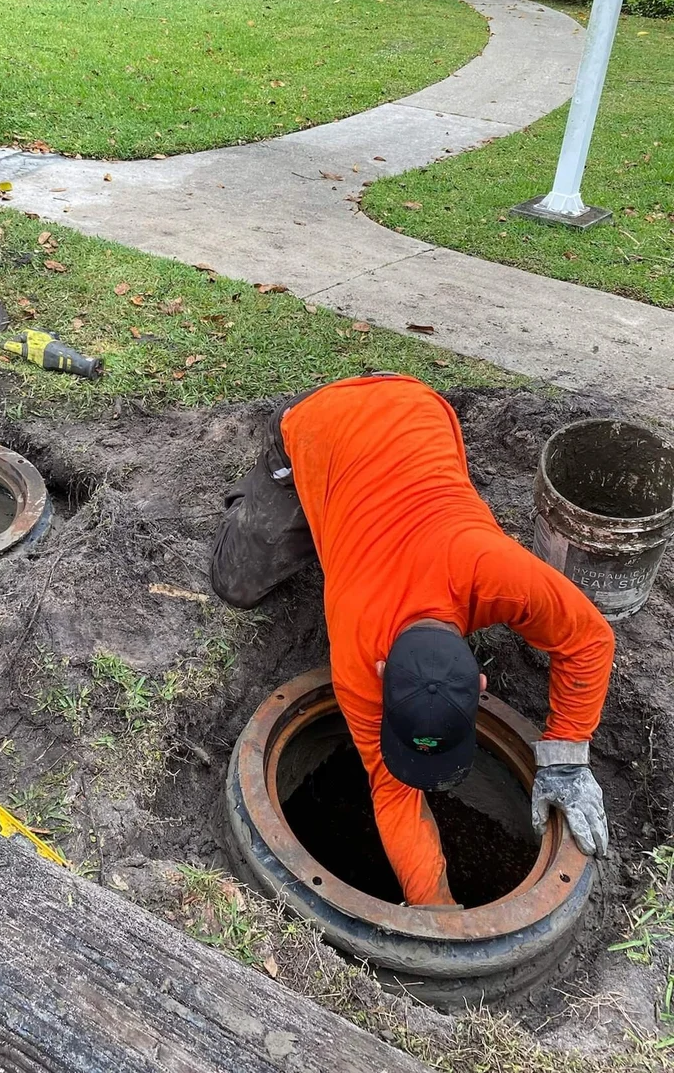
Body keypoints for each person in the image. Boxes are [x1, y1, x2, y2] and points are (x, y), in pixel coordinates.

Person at [211, 374, 614, 907]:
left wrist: (566, 754)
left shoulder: (496, 571)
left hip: (416, 407)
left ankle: (333, 503)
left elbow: (588, 637)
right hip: (320, 424)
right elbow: (394, 795)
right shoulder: (357, 655)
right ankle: (285, 481)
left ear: (481, 682)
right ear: (379, 677)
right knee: (235, 583)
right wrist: (437, 912)